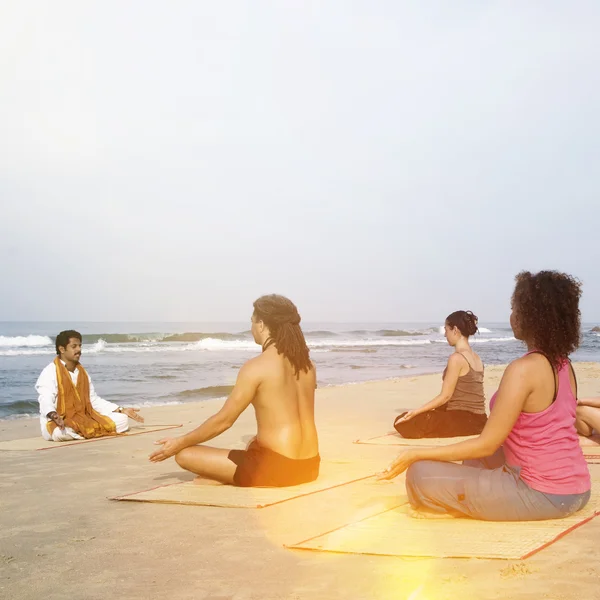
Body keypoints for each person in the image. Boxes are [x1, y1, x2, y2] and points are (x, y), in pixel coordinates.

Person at [378, 271, 591, 521]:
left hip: (543, 494)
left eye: (515, 308)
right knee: (476, 461)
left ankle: (455, 506)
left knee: (419, 474)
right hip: (578, 489)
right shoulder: (565, 365)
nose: (511, 316)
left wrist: (416, 453)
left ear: (531, 316)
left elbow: (486, 443)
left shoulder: (522, 370)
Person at [149, 294, 320, 487]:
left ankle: (225, 476)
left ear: (261, 324)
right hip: (310, 467)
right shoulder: (307, 366)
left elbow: (224, 421)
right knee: (253, 443)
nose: (251, 329)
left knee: (185, 455)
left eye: (252, 322)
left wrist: (179, 443)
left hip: (278, 470)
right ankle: (227, 475)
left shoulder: (256, 367)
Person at [35, 330, 144, 441]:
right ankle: (84, 431)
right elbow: (45, 398)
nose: (79, 350)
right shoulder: (50, 371)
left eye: (80, 346)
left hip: (83, 418)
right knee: (60, 432)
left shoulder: (82, 372)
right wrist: (54, 415)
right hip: (59, 421)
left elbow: (93, 400)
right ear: (62, 349)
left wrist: (120, 409)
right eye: (74, 346)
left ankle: (82, 431)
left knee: (122, 419)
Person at [394, 310, 487, 438]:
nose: (445, 335)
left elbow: (445, 396)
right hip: (481, 420)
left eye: (446, 330)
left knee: (403, 420)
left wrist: (416, 412)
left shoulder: (457, 358)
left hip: (463, 421)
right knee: (427, 414)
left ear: (455, 330)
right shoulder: (477, 357)